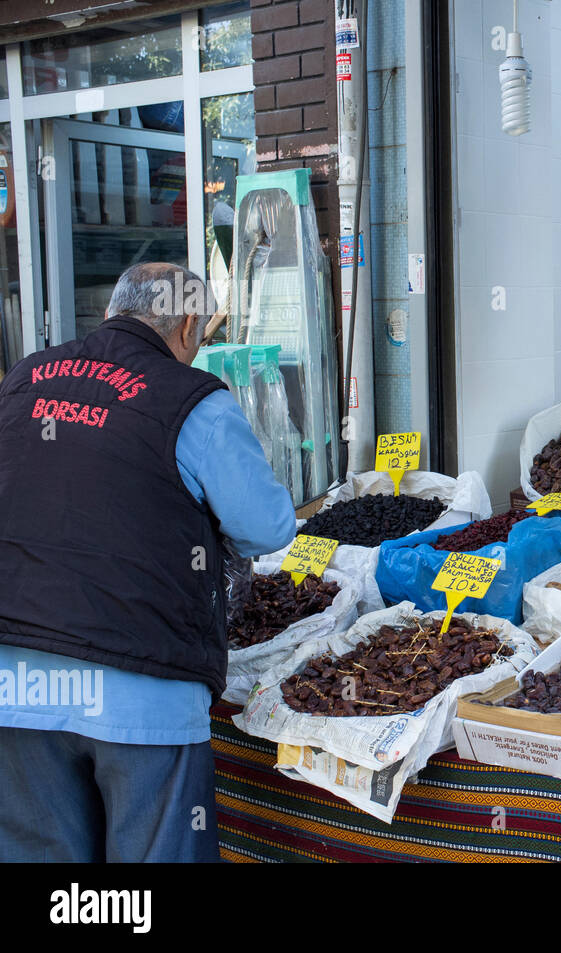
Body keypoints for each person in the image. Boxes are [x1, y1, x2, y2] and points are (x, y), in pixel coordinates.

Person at [0, 262, 297, 861]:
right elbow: (268, 527)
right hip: (142, 689)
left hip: (16, 684)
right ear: (188, 326)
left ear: (111, 312)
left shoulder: (23, 377)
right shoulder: (193, 401)